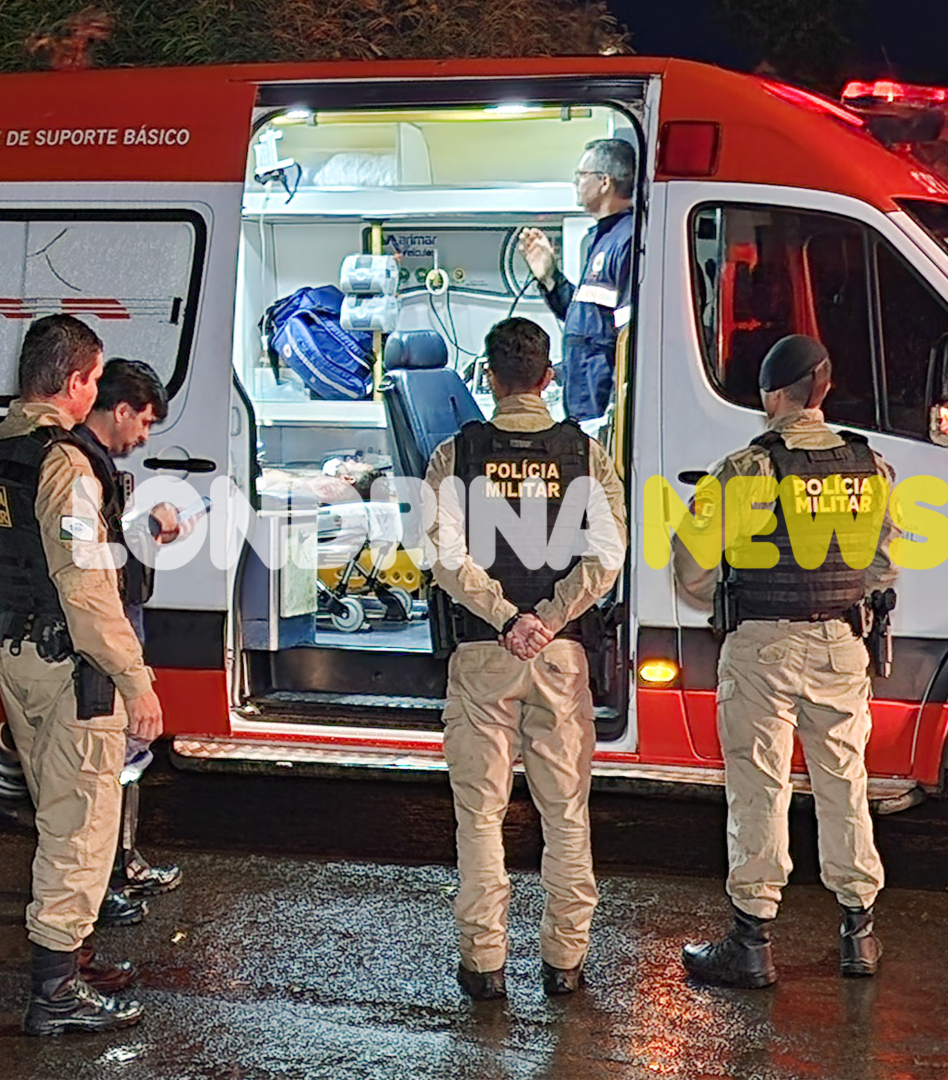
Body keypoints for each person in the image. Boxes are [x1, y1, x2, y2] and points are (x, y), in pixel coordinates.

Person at [673, 334, 897, 989]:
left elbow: (691, 564)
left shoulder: (751, 468)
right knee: (844, 783)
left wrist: (723, 592)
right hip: (840, 645)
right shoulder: (869, 465)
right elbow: (883, 567)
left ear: (774, 395)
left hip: (764, 646)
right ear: (821, 392)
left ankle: (751, 943)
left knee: (758, 787)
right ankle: (859, 935)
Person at [425, 317, 626, 1000]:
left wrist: (507, 617)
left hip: (485, 653)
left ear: (489, 377)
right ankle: (565, 963)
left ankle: (484, 967)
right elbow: (607, 557)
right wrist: (547, 617)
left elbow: (445, 558)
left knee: (479, 816)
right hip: (560, 654)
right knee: (565, 812)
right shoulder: (586, 454)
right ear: (547, 378)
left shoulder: (458, 454)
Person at [0, 315, 162, 1034]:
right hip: (72, 667)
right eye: (95, 380)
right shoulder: (62, 463)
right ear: (74, 383)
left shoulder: (6, 447)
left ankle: (72, 953)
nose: (95, 391)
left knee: (57, 813)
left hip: (19, 661)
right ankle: (56, 993)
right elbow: (87, 587)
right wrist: (137, 679)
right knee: (81, 826)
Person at [73, 359, 183, 913]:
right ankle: (100, 890)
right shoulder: (78, 467)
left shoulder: (91, 466)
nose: (143, 437)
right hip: (98, 638)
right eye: (142, 423)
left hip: (109, 628)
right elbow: (93, 567)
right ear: (119, 411)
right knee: (103, 765)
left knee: (124, 756)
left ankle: (119, 867)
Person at [518, 138, 635, 422]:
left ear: (604, 182)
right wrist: (549, 277)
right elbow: (584, 319)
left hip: (605, 410)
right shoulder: (601, 238)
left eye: (581, 176)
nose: (575, 183)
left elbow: (630, 338)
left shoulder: (629, 240)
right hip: (583, 404)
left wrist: (615, 413)